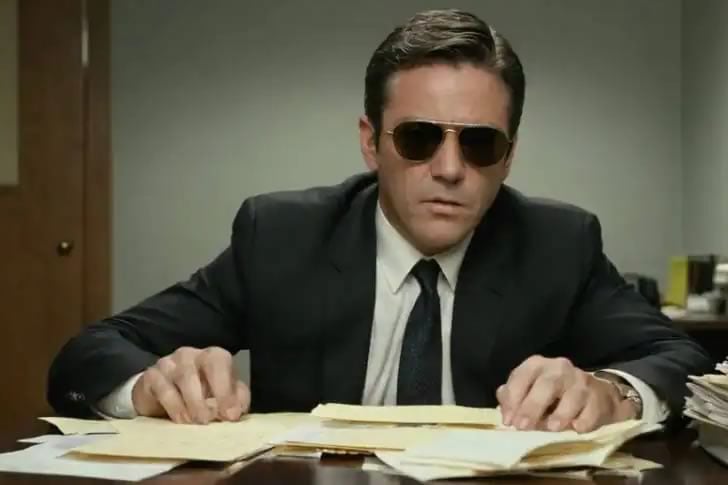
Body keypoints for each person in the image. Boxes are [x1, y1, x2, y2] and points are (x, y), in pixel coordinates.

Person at [48, 9, 710, 432]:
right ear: (372, 142)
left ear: (509, 155)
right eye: (419, 138)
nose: (449, 169)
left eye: (480, 143)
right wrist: (149, 388)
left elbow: (686, 362)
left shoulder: (556, 245)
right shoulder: (281, 236)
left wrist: (614, 393)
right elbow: (89, 354)